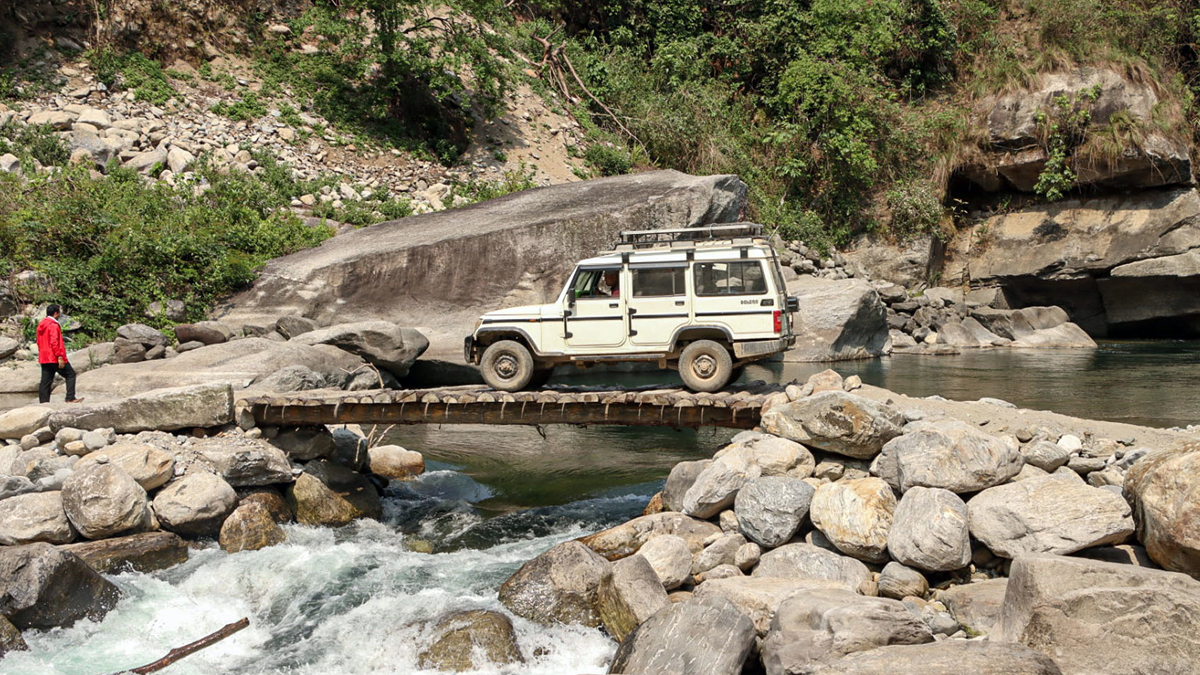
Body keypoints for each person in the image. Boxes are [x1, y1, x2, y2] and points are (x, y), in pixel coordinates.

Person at [37, 304, 82, 404]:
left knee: (45, 381)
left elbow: (39, 341)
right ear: (56, 313)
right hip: (53, 356)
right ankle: (70, 398)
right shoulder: (53, 325)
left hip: (44, 357)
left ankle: (43, 403)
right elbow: (54, 342)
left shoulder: (41, 324)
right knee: (70, 374)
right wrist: (60, 356)